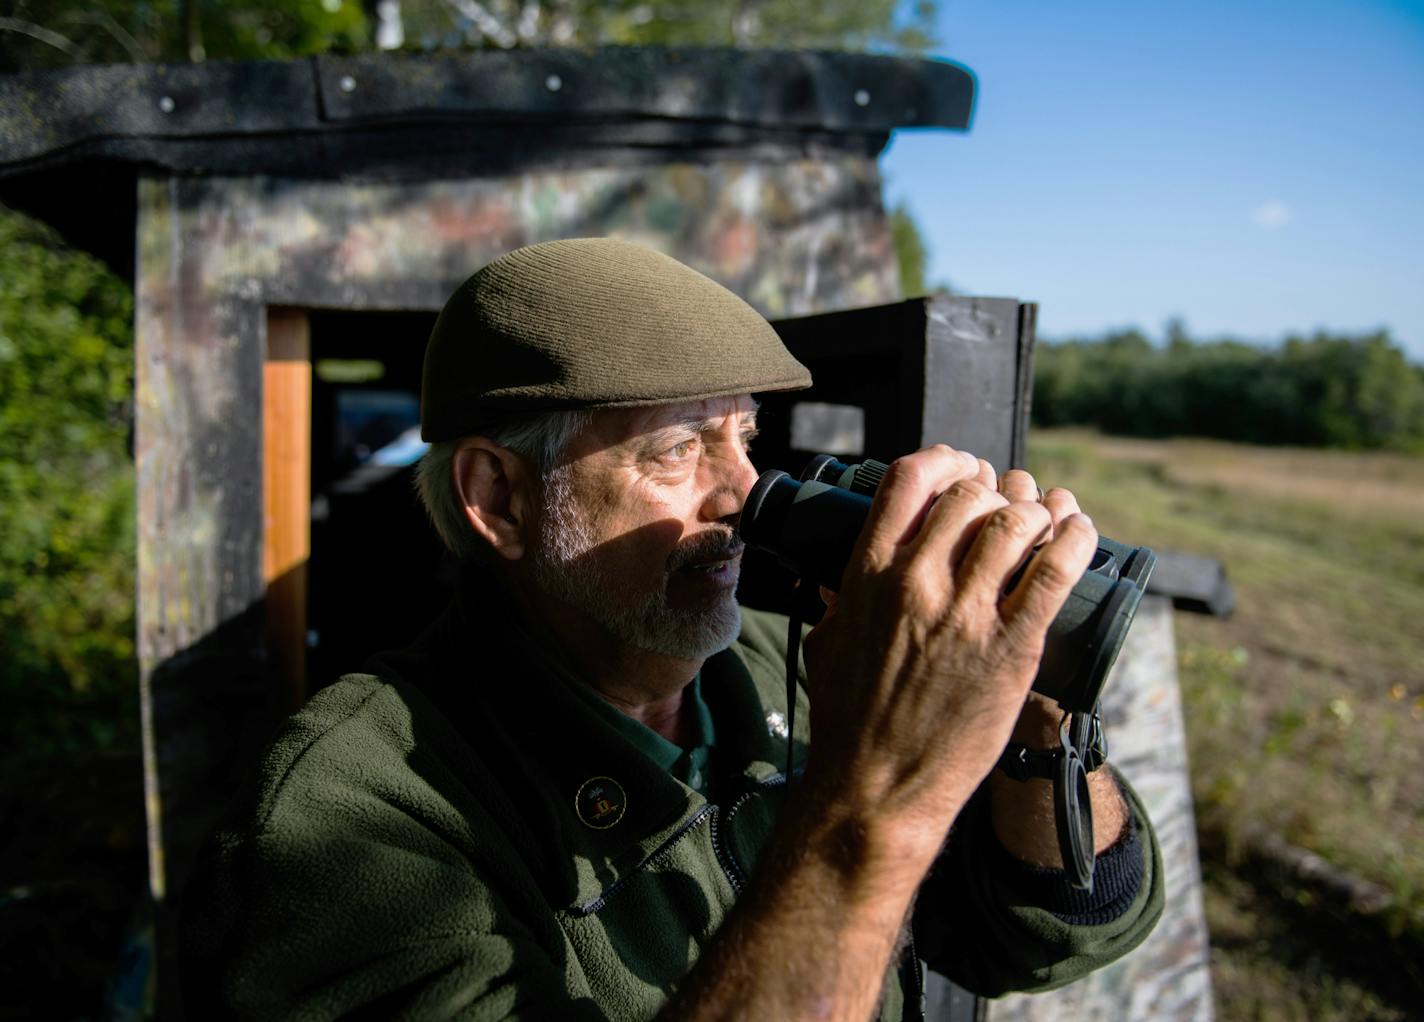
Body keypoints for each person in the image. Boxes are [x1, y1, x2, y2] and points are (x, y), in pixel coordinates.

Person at [182, 238, 1162, 1020]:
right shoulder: (359, 810)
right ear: (501, 496)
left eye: (742, 438)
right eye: (675, 449)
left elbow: (1047, 932)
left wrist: (1029, 708)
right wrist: (876, 788)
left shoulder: (789, 664)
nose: (740, 493)